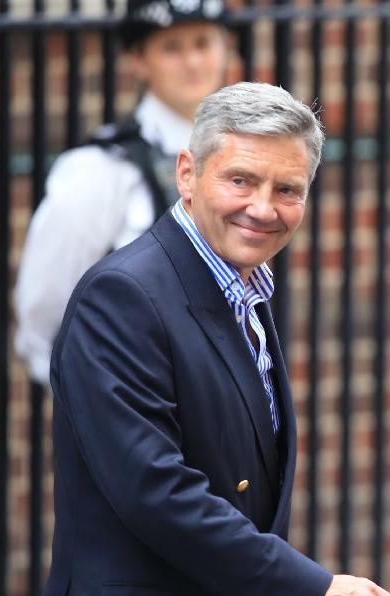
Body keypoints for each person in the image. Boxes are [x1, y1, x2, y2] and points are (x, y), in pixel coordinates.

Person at [25, 82, 390, 596]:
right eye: (240, 180)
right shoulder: (123, 296)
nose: (262, 208)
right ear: (187, 173)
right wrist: (309, 590)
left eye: (287, 189)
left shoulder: (243, 288)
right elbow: (154, 488)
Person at [15, 0, 231, 385]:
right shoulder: (100, 169)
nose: (193, 62)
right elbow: (44, 313)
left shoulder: (238, 161)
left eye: (203, 43)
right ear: (138, 60)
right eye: (171, 48)